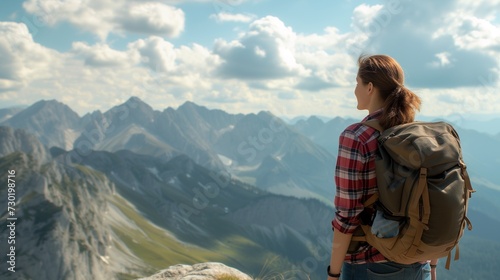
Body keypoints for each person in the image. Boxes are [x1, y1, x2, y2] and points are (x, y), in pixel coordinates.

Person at [327, 54, 438, 280]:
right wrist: (433, 266)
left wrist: (333, 274)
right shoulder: (420, 136)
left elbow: (348, 216)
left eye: (356, 83)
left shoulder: (356, 137)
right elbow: (434, 200)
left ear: (370, 88)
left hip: (370, 265)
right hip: (420, 262)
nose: (354, 90)